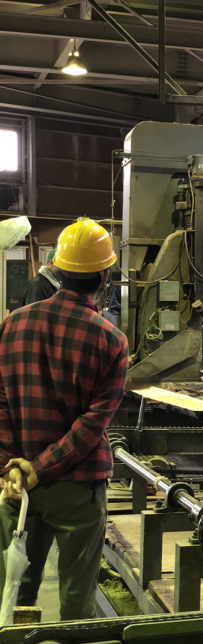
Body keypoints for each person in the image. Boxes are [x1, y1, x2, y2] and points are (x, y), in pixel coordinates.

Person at [0, 218, 128, 621]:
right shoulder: (111, 340)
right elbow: (92, 425)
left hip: (18, 484)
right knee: (76, 599)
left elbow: (1, 403)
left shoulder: (11, 326)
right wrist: (40, 470)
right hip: (77, 487)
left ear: (54, 268)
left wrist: (13, 469)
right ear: (104, 275)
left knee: (14, 590)